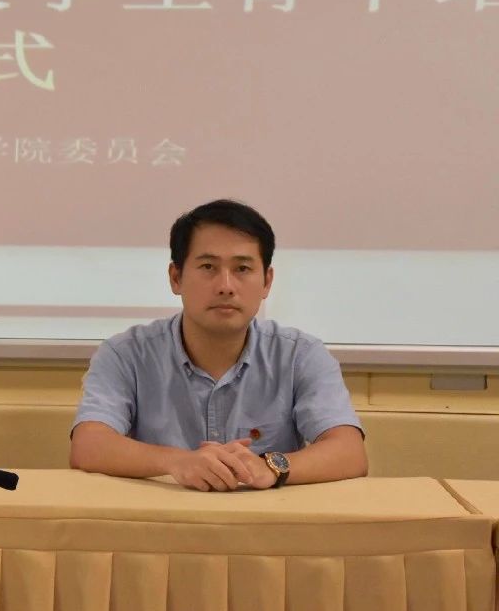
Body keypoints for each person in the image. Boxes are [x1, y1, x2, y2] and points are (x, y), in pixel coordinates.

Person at [69, 199, 367, 491]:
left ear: (267, 282)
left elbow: (349, 451)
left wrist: (270, 467)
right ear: (176, 277)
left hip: (268, 519)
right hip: (162, 518)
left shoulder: (300, 355)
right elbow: (89, 444)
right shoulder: (126, 354)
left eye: (242, 269)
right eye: (208, 266)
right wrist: (177, 462)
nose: (226, 286)